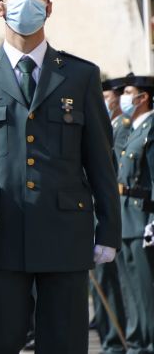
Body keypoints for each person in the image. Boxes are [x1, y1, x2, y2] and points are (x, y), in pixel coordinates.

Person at [0, 0, 121, 354]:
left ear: (49, 5)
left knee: (64, 343)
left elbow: (100, 159)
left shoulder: (80, 76)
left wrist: (108, 229)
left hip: (65, 234)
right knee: (4, 343)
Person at [115, 74, 154, 354]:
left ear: (144, 97)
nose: (124, 98)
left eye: (129, 92)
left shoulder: (151, 130)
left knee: (145, 290)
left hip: (143, 218)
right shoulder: (132, 130)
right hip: (125, 216)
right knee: (130, 290)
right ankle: (136, 343)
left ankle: (149, 344)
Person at [90, 77, 129, 354]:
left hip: (124, 214)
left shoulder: (124, 129)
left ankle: (124, 340)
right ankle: (110, 337)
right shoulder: (108, 127)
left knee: (123, 286)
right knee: (104, 282)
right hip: (96, 211)